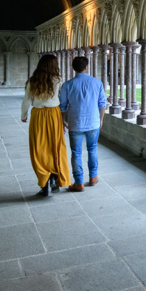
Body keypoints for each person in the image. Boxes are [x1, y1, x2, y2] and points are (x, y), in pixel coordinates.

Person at [21, 54, 71, 197]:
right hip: (54, 115)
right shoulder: (58, 80)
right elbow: (61, 100)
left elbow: (26, 100)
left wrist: (23, 115)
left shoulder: (32, 81)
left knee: (39, 148)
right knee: (55, 147)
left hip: (38, 115)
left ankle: (44, 183)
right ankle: (54, 177)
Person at [59, 55, 107, 192]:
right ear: (86, 67)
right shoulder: (97, 83)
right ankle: (93, 177)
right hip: (93, 122)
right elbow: (102, 103)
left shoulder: (67, 85)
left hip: (75, 123)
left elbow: (62, 106)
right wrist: (101, 119)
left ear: (74, 68)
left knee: (76, 152)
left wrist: (62, 121)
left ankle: (79, 182)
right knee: (92, 148)